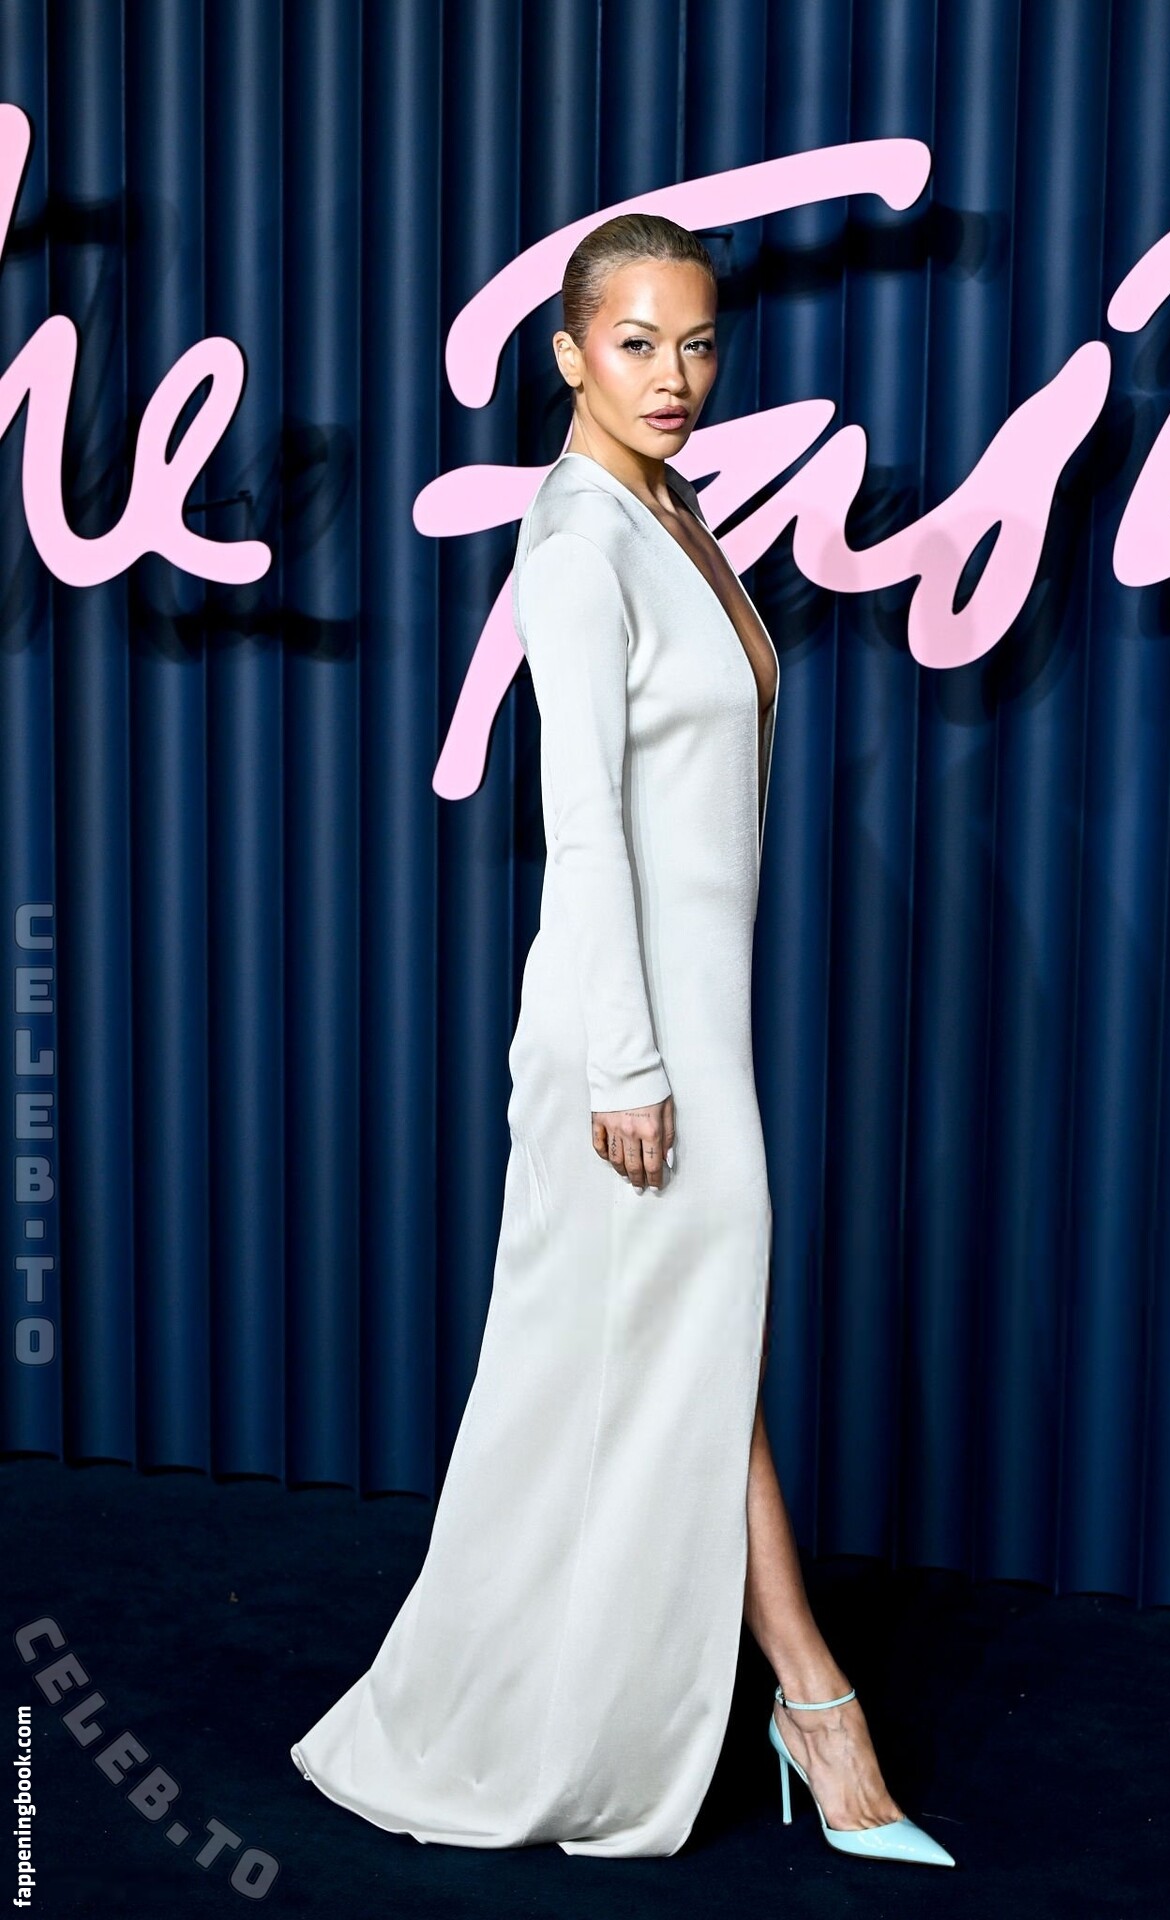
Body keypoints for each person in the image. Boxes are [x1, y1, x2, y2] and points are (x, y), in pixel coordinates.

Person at [289, 211, 953, 1868]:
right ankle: (818, 1711)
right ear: (569, 353)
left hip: (689, 1022)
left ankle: (789, 1704)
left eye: (699, 343)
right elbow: (578, 822)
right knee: (686, 1351)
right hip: (628, 1037)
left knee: (688, 1357)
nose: (675, 375)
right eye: (637, 343)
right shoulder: (577, 540)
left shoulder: (675, 513)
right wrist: (631, 1066)